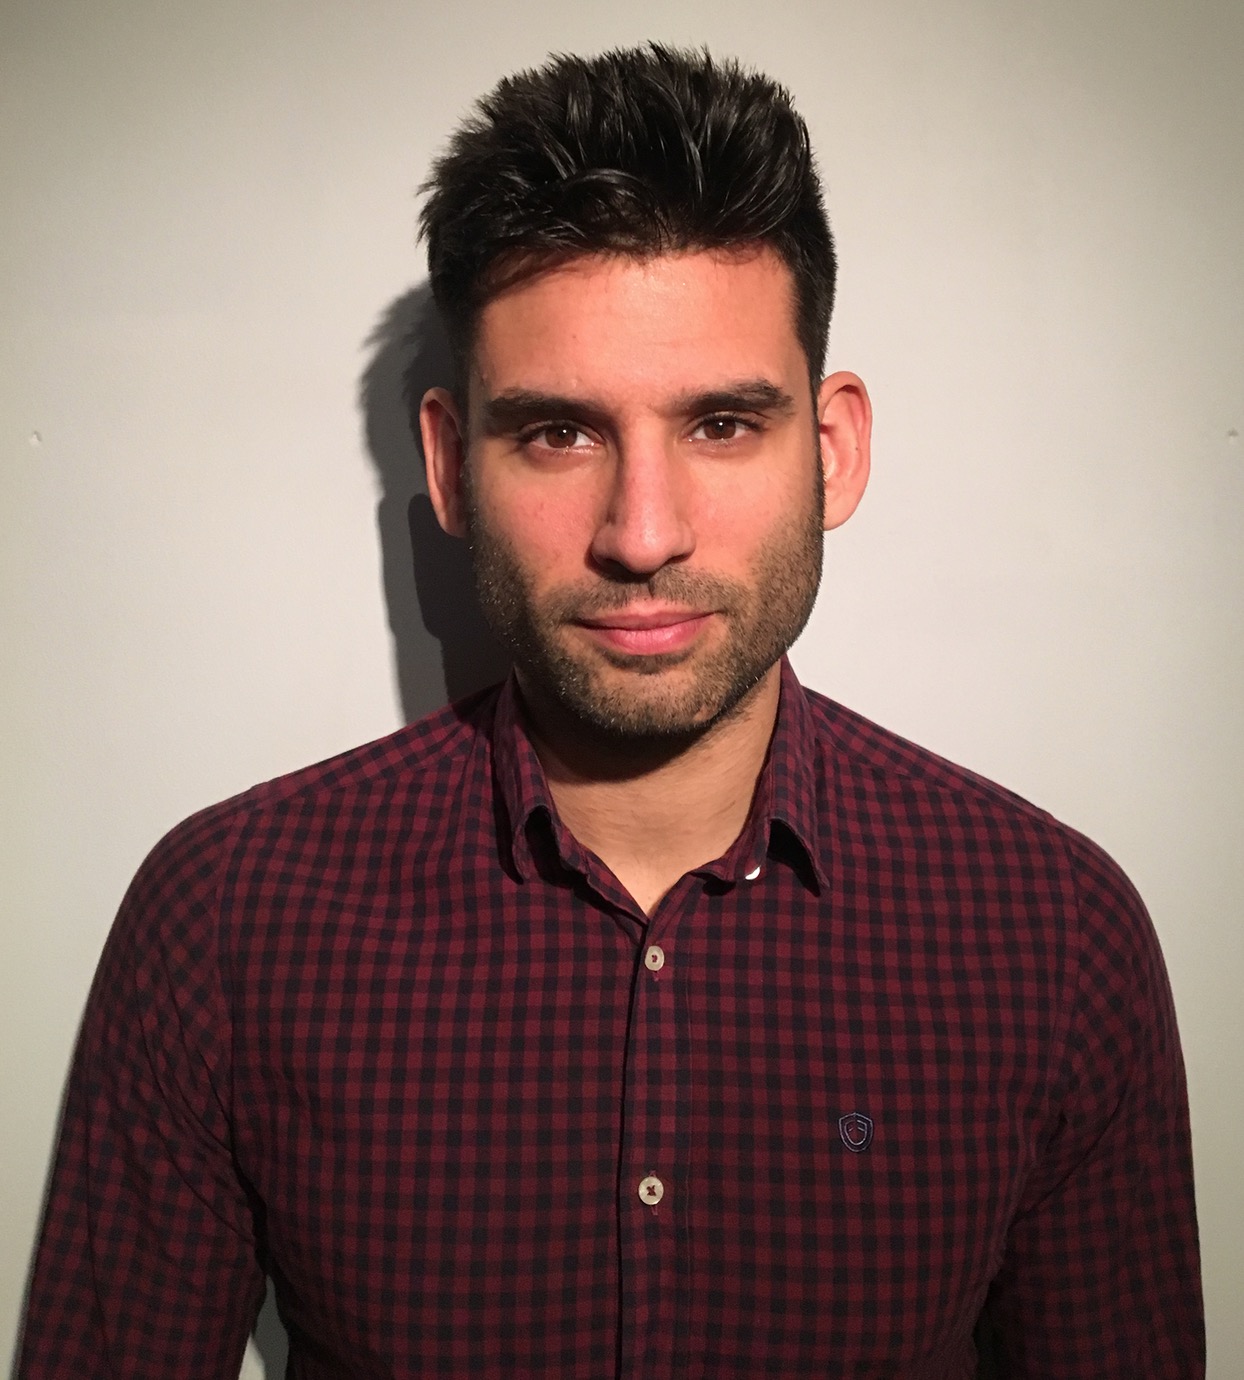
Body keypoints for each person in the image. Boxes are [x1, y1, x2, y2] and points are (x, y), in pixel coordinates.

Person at [20, 44, 1202, 1379]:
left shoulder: (1052, 937)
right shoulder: (228, 920)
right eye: (557, 434)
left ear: (833, 451)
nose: (642, 535)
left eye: (720, 426)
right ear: (452, 467)